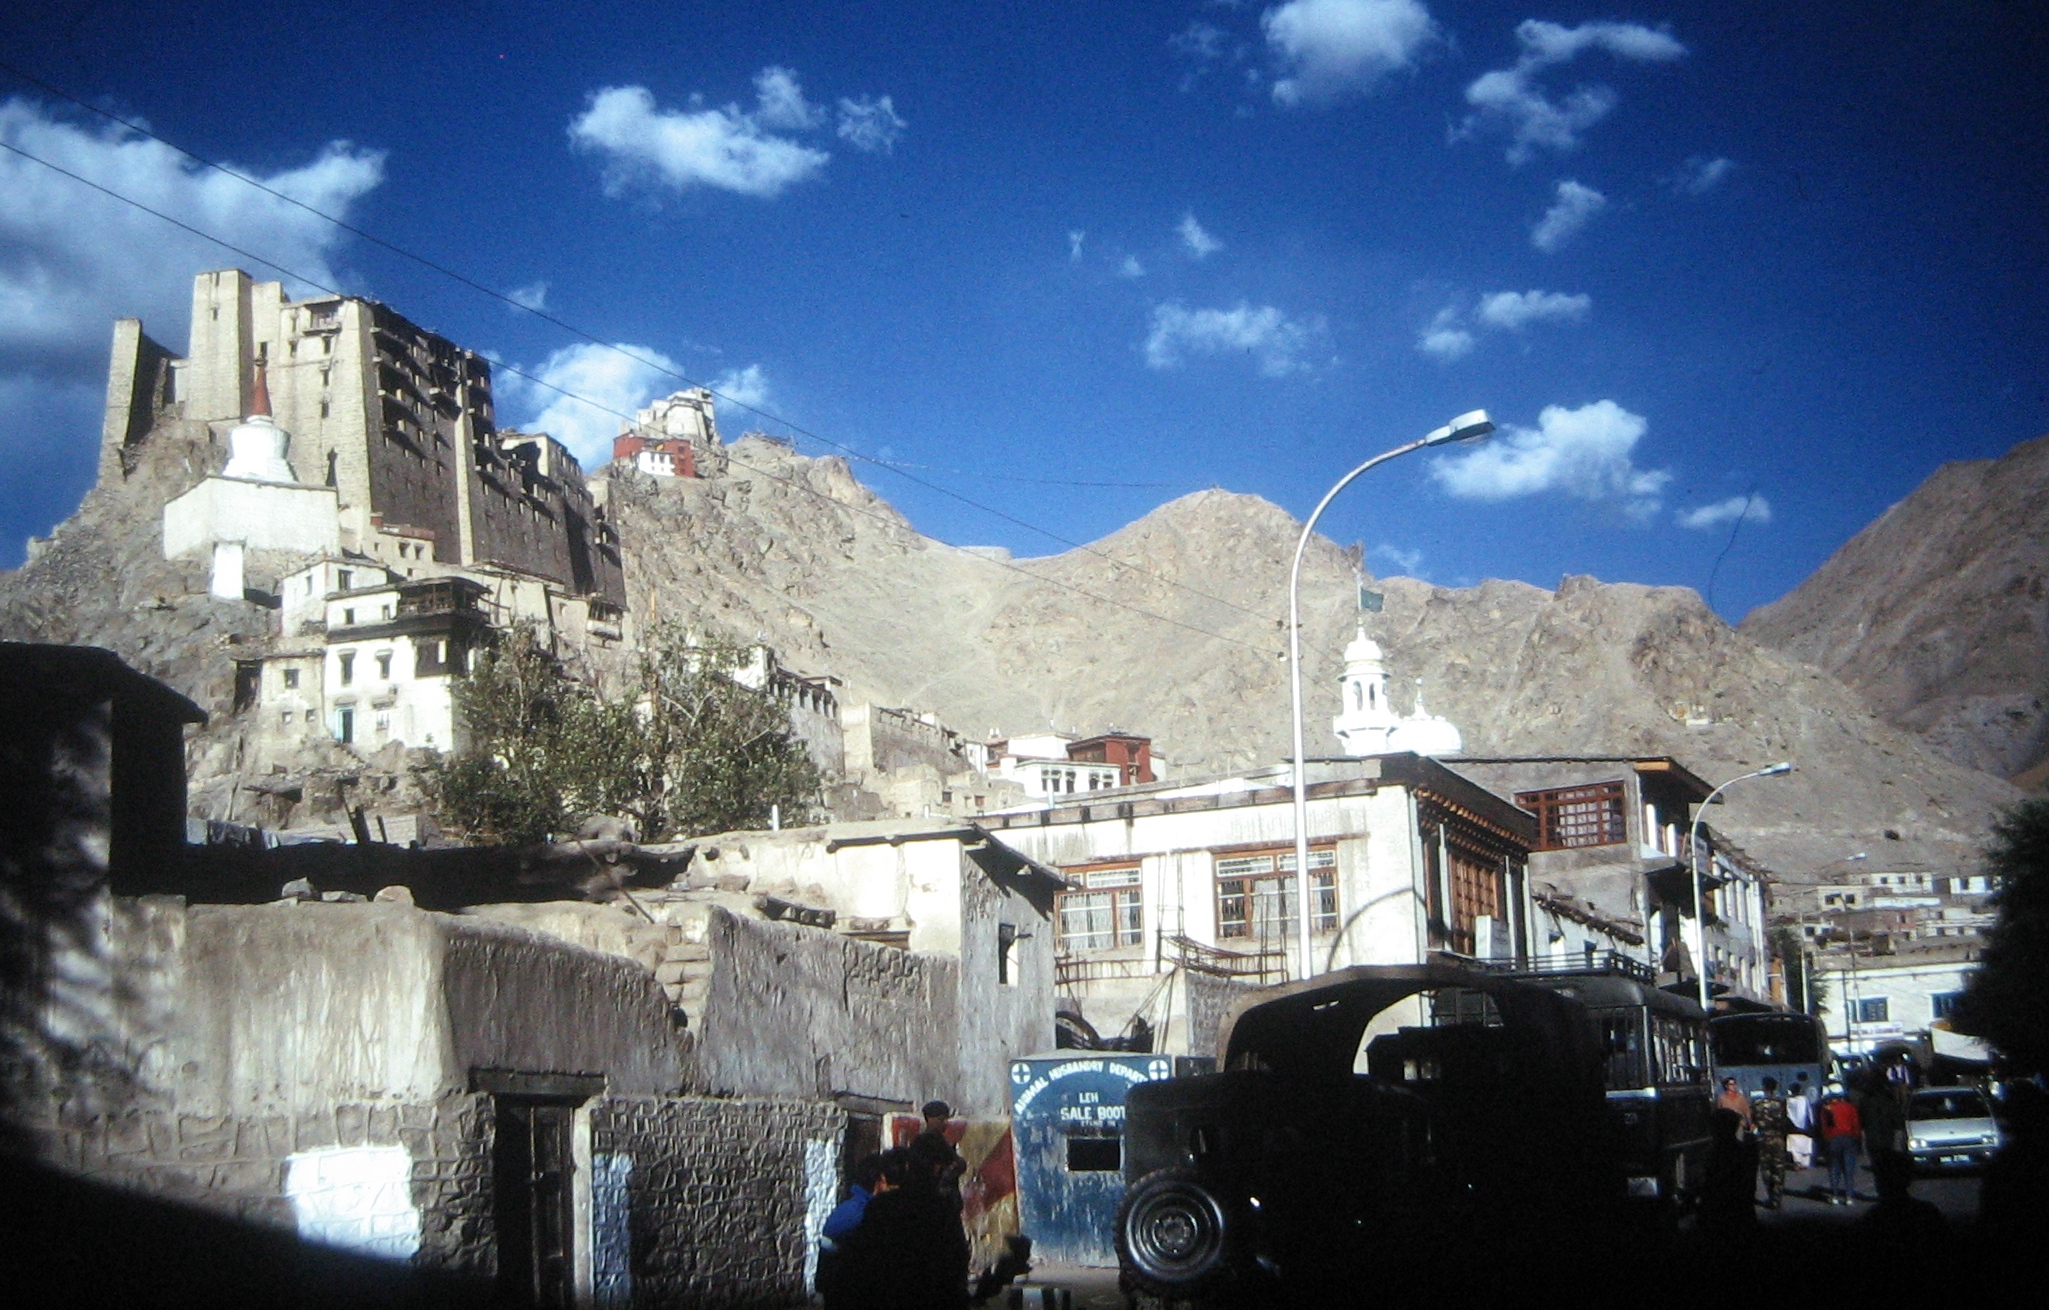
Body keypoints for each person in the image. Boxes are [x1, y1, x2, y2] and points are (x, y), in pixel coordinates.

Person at [835, 1134, 970, 1309]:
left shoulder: (880, 1206)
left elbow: (863, 1264)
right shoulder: (940, 1210)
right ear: (936, 1168)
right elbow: (956, 1264)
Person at [913, 1099, 968, 1211]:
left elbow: (959, 1163)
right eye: (941, 1119)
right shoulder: (925, 1141)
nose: (945, 1123)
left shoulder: (940, 1140)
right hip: (933, 1201)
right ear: (929, 1119)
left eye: (946, 1119)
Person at [1818, 1083, 1863, 1205]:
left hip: (1833, 1140)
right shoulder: (1850, 1107)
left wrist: (1826, 1141)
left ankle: (1834, 1196)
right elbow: (1856, 1125)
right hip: (1849, 1139)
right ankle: (1849, 1197)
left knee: (1834, 1168)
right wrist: (1856, 1139)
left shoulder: (1826, 1109)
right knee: (1849, 1169)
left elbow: (1824, 1128)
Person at [1752, 1077, 1791, 1209]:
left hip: (1763, 1138)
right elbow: (1784, 1121)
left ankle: (1770, 1195)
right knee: (1779, 1167)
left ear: (1764, 1087)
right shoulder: (1781, 1103)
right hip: (1778, 1138)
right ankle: (1777, 1197)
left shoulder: (1757, 1103)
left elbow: (1754, 1120)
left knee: (1765, 1168)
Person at [1786, 1075, 1816, 1171]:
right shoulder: (1804, 1099)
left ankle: (1797, 1162)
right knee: (1805, 1147)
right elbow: (1809, 1113)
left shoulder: (1789, 1101)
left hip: (1793, 1130)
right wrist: (1811, 1124)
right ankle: (1804, 1163)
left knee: (1795, 1148)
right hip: (1805, 1130)